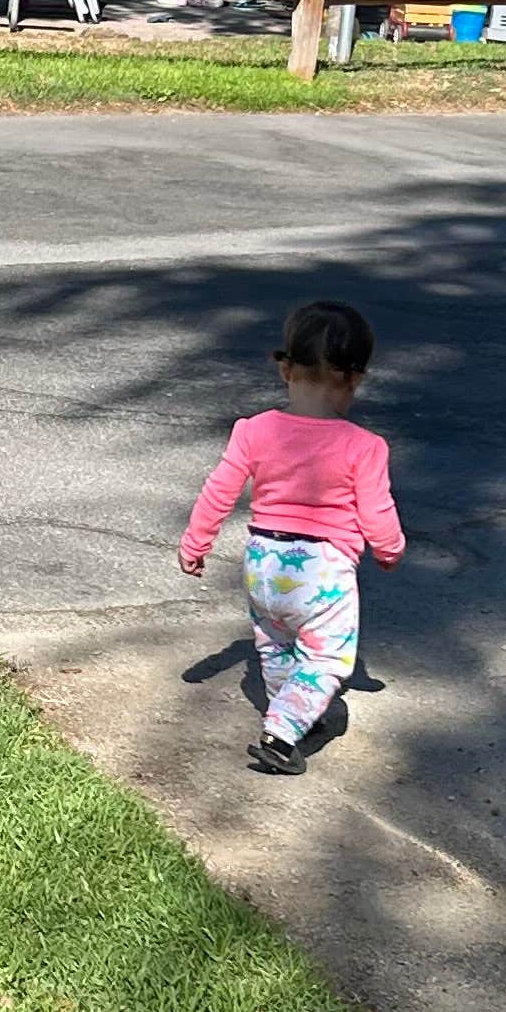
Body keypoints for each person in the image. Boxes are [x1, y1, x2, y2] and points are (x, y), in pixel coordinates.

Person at [178, 297, 405, 775]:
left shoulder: (253, 430)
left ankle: (294, 711)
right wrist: (389, 549)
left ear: (285, 371)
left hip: (263, 559)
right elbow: (377, 511)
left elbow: (219, 489)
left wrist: (196, 542)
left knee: (275, 644)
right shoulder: (364, 447)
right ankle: (281, 735)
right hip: (322, 570)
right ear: (356, 378)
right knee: (326, 659)